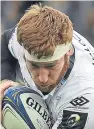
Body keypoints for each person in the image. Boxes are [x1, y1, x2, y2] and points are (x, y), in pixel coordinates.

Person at [1, 4, 94, 129]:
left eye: (51, 66)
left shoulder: (83, 97)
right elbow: (6, 40)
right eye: (34, 65)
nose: (42, 78)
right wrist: (4, 81)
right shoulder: (25, 40)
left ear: (68, 52)